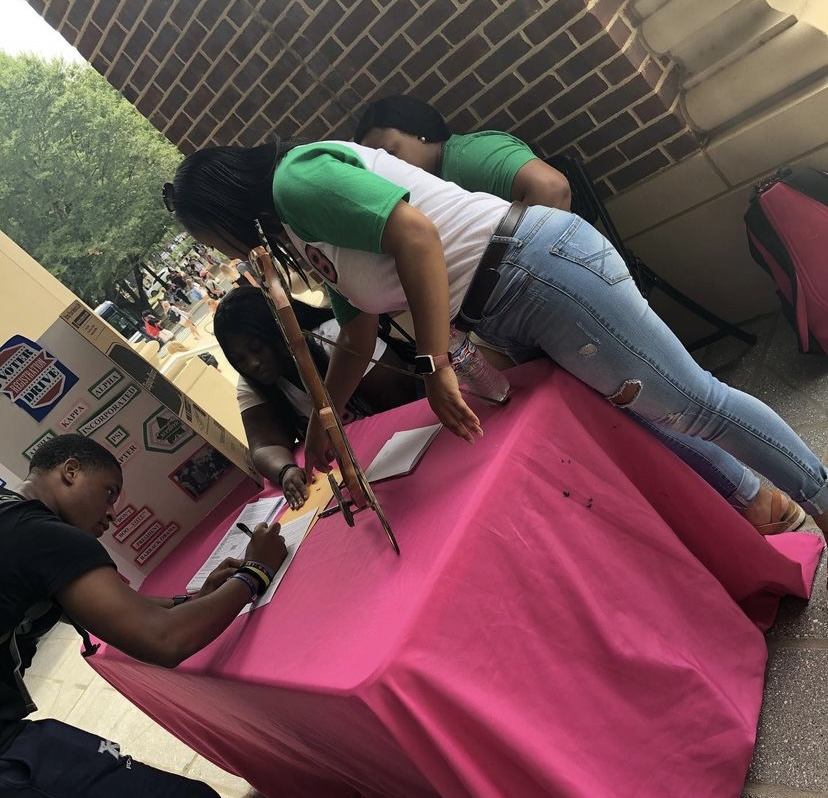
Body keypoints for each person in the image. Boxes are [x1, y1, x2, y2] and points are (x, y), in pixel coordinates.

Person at [163, 142, 828, 545]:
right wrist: (322, 424)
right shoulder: (298, 228)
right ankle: (762, 505)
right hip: (502, 303)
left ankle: (819, 497)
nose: (221, 252)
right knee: (635, 409)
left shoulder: (296, 180)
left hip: (536, 269)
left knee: (695, 403)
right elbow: (358, 327)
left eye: (208, 237)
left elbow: (416, 235)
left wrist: (431, 364)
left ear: (219, 210)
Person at [0, 433, 437, 798]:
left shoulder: (14, 521)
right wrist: (254, 573)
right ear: (70, 470)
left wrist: (194, 599)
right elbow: (160, 641)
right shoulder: (40, 533)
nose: (111, 515)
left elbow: (130, 614)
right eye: (109, 492)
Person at [214, 286, 419, 509]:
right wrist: (286, 470)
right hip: (361, 467)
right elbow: (264, 444)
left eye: (257, 348)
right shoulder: (253, 384)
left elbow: (403, 396)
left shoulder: (332, 338)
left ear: (277, 329)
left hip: (404, 444)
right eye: (240, 359)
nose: (252, 364)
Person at [354, 94, 572, 211]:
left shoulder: (466, 156)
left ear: (419, 132)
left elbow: (552, 188)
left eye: (391, 153)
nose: (387, 168)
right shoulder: (432, 185)